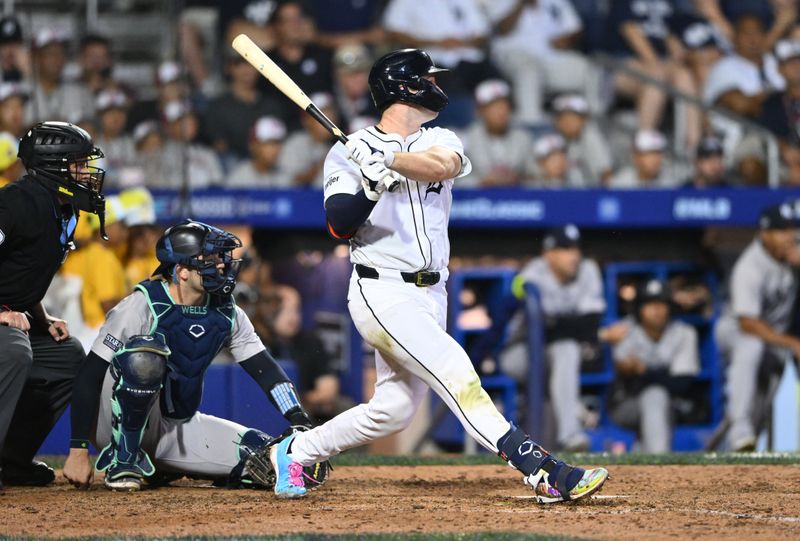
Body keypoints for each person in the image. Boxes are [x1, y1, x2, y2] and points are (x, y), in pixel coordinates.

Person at [265, 48, 609, 501]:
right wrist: (368, 187)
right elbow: (339, 222)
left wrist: (389, 162)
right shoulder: (346, 153)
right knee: (455, 370)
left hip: (433, 291)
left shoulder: (440, 137)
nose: (437, 85)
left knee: (393, 410)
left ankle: (296, 450)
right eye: (427, 78)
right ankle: (539, 468)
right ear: (405, 86)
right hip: (381, 289)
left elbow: (442, 166)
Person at [62, 220, 327, 491]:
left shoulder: (227, 312)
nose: (222, 265)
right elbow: (89, 374)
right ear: (182, 271)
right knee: (145, 358)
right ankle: (124, 461)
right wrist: (78, 449)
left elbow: (266, 371)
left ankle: (163, 467)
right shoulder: (141, 305)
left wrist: (299, 418)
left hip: (175, 425)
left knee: (268, 459)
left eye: (221, 257)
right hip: (111, 427)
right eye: (210, 259)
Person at [0, 121, 107, 488]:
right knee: (14, 350)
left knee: (68, 355)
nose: (87, 173)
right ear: (54, 167)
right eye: (78, 164)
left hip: (9, 316)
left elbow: (23, 274)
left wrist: (41, 317)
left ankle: (11, 461)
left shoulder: (64, 210)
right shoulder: (14, 202)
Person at [470, 225, 623, 451]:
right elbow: (517, 321)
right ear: (548, 253)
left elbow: (590, 322)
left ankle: (569, 437)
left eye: (576, 248)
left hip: (560, 355)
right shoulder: (531, 275)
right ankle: (570, 431)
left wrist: (561, 326)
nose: (574, 255)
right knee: (566, 349)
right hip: (520, 353)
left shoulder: (588, 270)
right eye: (565, 249)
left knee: (566, 349)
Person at [715, 203, 800, 451]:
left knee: (765, 395)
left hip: (775, 337)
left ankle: (737, 439)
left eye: (791, 229)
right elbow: (747, 322)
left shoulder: (794, 253)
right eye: (780, 231)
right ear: (764, 234)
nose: (789, 236)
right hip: (737, 331)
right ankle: (739, 429)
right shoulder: (749, 266)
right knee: (751, 346)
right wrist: (793, 343)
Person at [610, 279, 700, 453]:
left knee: (656, 395)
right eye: (649, 304)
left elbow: (682, 384)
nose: (656, 310)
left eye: (661, 304)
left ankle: (654, 463)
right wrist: (632, 371)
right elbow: (624, 375)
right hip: (628, 405)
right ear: (639, 309)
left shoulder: (683, 333)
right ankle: (659, 462)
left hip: (674, 405)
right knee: (654, 395)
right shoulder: (624, 331)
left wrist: (644, 372)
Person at [484, 0, 600, 126]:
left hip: (550, 56)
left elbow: (575, 29)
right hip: (513, 54)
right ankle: (531, 123)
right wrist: (521, 4)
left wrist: (567, 39)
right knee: (530, 71)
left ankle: (594, 122)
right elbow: (501, 30)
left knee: (590, 69)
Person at [460, 79, 535, 188]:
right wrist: (482, 181)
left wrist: (518, 179)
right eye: (493, 106)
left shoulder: (523, 138)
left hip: (518, 201)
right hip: (479, 202)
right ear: (480, 110)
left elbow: (536, 178)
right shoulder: (466, 138)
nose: (501, 111)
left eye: (504, 105)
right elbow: (456, 181)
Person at [26, 28, 94, 125]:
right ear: (36, 57)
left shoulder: (81, 92)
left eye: (61, 53)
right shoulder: (22, 91)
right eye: (51, 54)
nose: (57, 59)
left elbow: (92, 130)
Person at [279, 92, 339, 187]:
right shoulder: (294, 144)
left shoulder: (335, 148)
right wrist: (321, 164)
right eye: (322, 116)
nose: (329, 121)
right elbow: (293, 183)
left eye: (330, 114)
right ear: (306, 120)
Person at [552, 94, 613, 186]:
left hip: (590, 193)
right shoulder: (553, 141)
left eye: (572, 117)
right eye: (563, 117)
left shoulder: (591, 138)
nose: (568, 122)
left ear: (584, 120)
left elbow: (605, 174)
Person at [227, 116, 291, 188]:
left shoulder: (286, 177)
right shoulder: (238, 179)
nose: (275, 149)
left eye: (278, 143)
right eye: (269, 143)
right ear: (253, 145)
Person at [609, 130, 673, 189]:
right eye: (650, 153)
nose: (656, 158)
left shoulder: (671, 184)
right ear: (636, 156)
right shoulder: (620, 185)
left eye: (658, 152)